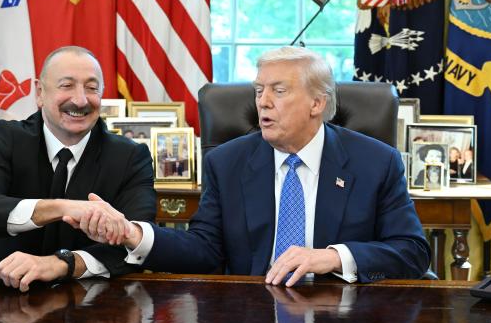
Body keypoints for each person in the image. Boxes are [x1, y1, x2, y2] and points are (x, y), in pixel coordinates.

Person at [62, 46, 429, 284]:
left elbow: (412, 251)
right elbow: (204, 250)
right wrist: (132, 233)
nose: (262, 103)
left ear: (317, 103)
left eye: (278, 91)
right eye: (258, 91)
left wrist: (333, 257)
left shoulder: (375, 162)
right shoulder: (227, 162)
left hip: (344, 317)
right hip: (251, 312)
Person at [0, 46, 156, 290]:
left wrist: (62, 264)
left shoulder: (131, 157)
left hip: (88, 299)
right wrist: (64, 208)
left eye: (91, 88)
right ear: (40, 93)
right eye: (66, 85)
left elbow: (137, 246)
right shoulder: (4, 138)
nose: (80, 100)